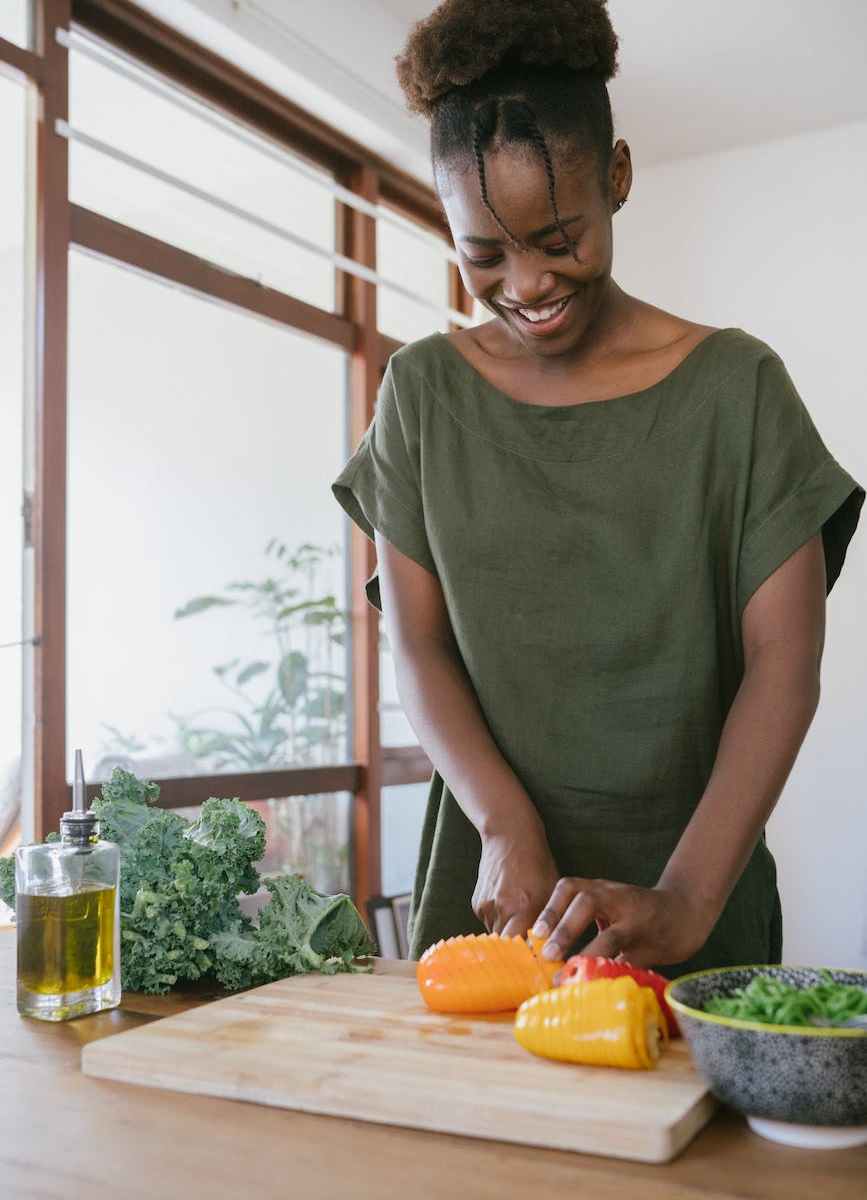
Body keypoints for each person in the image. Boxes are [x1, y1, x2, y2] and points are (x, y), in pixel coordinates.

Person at [332, 0, 864, 975]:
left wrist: (685, 900)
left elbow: (782, 665)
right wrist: (504, 823)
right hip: (494, 905)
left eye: (558, 237)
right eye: (483, 254)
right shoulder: (420, 393)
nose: (527, 283)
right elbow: (416, 641)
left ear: (616, 177)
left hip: (695, 906)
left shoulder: (738, 391)